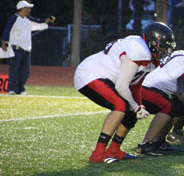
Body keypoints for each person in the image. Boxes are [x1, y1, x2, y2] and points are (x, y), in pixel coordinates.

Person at [73, 22, 175, 163]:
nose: (164, 51)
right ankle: (98, 153)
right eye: (163, 47)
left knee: (132, 111)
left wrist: (138, 106)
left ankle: (114, 150)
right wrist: (135, 106)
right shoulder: (140, 50)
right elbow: (122, 86)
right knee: (120, 106)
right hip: (90, 74)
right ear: (152, 42)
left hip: (108, 78)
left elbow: (135, 85)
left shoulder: (150, 57)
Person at [1, 0, 56, 95]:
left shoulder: (27, 20)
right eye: (27, 9)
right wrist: (4, 42)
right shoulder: (14, 18)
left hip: (27, 48)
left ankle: (21, 89)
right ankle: (12, 89)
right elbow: (7, 30)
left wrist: (48, 20)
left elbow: (39, 22)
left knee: (25, 70)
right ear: (22, 9)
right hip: (16, 47)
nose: (29, 10)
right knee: (15, 69)